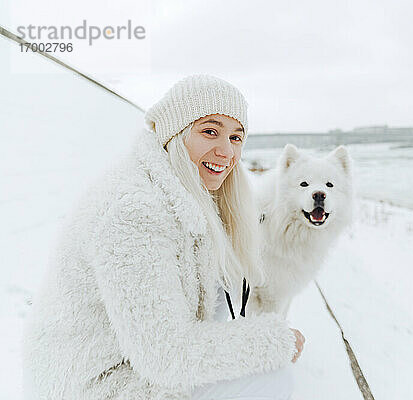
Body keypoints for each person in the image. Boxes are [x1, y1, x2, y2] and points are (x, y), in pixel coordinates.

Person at [22, 74, 305, 400]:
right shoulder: (133, 213)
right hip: (92, 382)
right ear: (175, 133)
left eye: (237, 138)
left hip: (129, 362)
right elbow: (165, 355)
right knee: (270, 378)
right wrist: (272, 340)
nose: (226, 151)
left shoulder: (186, 193)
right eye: (210, 131)